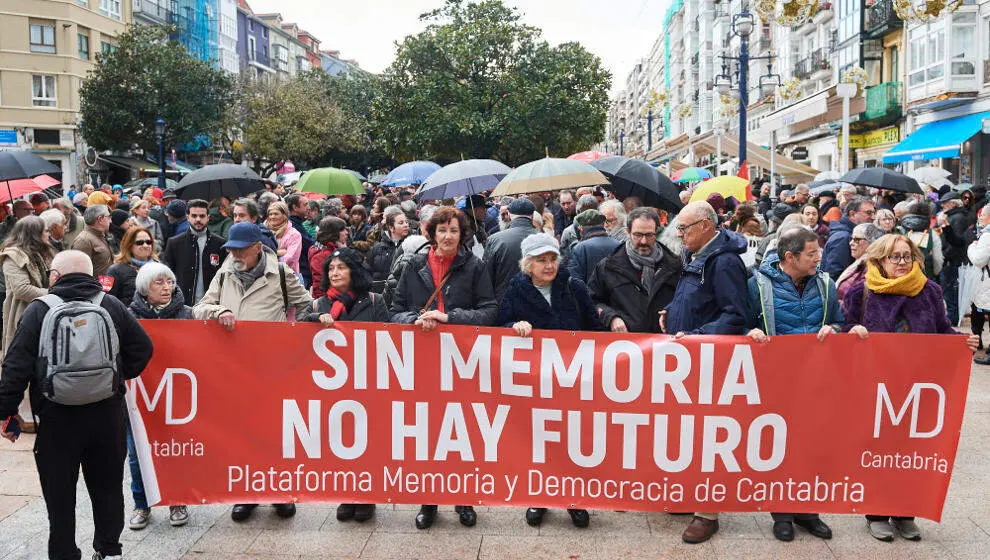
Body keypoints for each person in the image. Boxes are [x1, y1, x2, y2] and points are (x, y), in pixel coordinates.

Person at [0, 250, 153, 560]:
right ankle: (109, 549)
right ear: (91, 275)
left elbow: (15, 365)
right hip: (106, 415)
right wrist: (114, 378)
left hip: (56, 417)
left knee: (59, 495)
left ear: (55, 276)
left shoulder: (39, 309)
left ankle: (64, 553)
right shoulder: (111, 305)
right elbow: (143, 349)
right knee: (108, 488)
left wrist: (6, 411)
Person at [842, 234, 979, 542]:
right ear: (879, 261)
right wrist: (853, 331)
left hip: (919, 386)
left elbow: (941, 330)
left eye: (908, 256)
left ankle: (906, 512)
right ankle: (876, 512)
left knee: (913, 451)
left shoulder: (930, 290)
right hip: (878, 387)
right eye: (895, 257)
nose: (903, 262)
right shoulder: (861, 292)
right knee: (880, 450)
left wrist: (962, 341)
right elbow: (846, 328)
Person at [193, 222, 312, 522]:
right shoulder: (224, 274)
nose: (235, 255)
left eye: (241, 250)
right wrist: (219, 311)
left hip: (273, 369)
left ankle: (280, 492)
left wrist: (297, 337)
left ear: (258, 248)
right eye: (231, 250)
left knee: (275, 432)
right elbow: (200, 308)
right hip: (235, 369)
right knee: (242, 432)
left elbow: (305, 305)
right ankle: (246, 493)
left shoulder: (280, 274)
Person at [389, 206, 496, 530]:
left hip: (462, 362)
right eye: (442, 230)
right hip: (422, 360)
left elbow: (489, 311)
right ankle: (429, 499)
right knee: (428, 432)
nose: (448, 236)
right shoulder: (413, 265)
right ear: (432, 233)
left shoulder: (474, 266)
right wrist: (414, 320)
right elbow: (395, 310)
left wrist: (450, 318)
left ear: (462, 235)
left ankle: (464, 498)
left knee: (461, 432)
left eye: (454, 231)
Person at [744, 227, 841, 542]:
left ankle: (808, 511)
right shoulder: (757, 285)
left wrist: (836, 329)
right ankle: (782, 513)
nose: (818, 259)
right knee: (780, 447)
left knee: (812, 447)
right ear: (790, 257)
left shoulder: (826, 284)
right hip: (775, 381)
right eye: (811, 254)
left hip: (816, 380)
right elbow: (740, 323)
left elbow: (841, 321)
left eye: (818, 252)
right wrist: (749, 332)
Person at [495, 233, 598, 529]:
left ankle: (573, 499)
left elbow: (594, 328)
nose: (549, 265)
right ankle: (538, 497)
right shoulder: (515, 290)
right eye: (541, 260)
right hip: (534, 380)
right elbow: (499, 325)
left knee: (571, 440)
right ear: (528, 264)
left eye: (553, 259)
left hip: (571, 377)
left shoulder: (573, 286)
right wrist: (513, 325)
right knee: (537, 440)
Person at [662, 201, 748, 545]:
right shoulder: (698, 254)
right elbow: (696, 298)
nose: (679, 234)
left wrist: (696, 335)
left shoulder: (724, 262)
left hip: (709, 361)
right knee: (688, 434)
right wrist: (672, 310)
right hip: (690, 358)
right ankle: (690, 496)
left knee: (707, 439)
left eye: (684, 228)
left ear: (706, 226)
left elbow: (735, 315)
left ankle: (707, 513)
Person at [307, 247, 385, 523]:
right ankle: (346, 493)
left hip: (366, 381)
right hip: (334, 386)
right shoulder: (319, 304)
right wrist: (315, 320)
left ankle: (366, 496)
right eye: (331, 268)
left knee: (366, 440)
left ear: (353, 271)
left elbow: (388, 338)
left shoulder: (374, 301)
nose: (335, 273)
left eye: (341, 267)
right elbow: (300, 334)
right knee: (340, 442)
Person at [125, 263, 191, 531]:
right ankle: (142, 504)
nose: (167, 288)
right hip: (140, 396)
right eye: (159, 283)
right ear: (144, 289)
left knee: (177, 449)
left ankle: (177, 501)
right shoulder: (129, 316)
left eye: (169, 282)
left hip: (177, 394)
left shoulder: (187, 314)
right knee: (137, 453)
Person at [589, 207, 680, 334]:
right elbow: (593, 301)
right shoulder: (608, 266)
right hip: (625, 343)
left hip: (664, 341)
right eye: (638, 235)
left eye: (649, 235)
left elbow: (683, 302)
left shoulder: (674, 265)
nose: (643, 241)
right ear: (628, 232)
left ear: (656, 232)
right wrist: (611, 317)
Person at [161, 199, 226, 307]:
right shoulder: (174, 243)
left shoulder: (220, 244)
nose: (198, 219)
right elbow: (167, 274)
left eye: (202, 216)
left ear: (208, 217)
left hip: (212, 305)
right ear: (188, 217)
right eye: (194, 216)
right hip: (182, 305)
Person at [483, 198, 538, 302]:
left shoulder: (495, 239)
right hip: (537, 301)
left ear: (509, 215)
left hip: (505, 301)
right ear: (532, 216)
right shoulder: (545, 238)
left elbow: (486, 277)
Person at [937, 191, 975, 325]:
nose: (942, 206)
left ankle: (952, 317)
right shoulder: (953, 216)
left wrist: (945, 256)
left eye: (945, 203)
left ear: (953, 204)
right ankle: (953, 316)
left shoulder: (957, 218)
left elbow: (957, 242)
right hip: (951, 260)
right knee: (950, 290)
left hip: (952, 261)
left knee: (951, 290)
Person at [822, 196, 875, 279]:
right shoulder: (843, 238)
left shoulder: (847, 234)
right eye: (869, 213)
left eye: (874, 213)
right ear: (852, 214)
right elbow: (834, 276)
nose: (873, 217)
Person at [836, 223, 885, 309]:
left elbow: (856, 305)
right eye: (852, 239)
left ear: (872, 242)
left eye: (857, 239)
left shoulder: (872, 268)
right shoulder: (859, 264)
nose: (851, 243)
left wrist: (832, 306)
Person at [105, 227, 157, 307]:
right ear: (129, 245)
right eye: (140, 242)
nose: (145, 245)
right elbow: (104, 298)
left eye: (149, 242)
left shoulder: (160, 268)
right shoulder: (113, 270)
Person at [567, 209, 621, 284]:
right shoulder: (618, 244)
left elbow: (574, 281)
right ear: (603, 225)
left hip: (589, 291)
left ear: (581, 229)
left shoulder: (579, 248)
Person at [968, 203, 990, 363]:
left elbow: (978, 260)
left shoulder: (987, 236)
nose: (980, 217)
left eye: (983, 214)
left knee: (980, 311)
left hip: (987, 282)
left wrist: (972, 247)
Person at [367, 206, 409, 284]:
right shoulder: (377, 247)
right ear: (391, 227)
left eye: (406, 222)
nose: (406, 225)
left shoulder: (411, 246)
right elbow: (368, 270)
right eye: (401, 223)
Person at [309, 216, 348, 299]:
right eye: (342, 230)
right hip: (331, 300)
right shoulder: (320, 255)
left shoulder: (337, 249)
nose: (346, 232)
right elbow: (320, 286)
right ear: (332, 233)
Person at [901, 200, 942, 279]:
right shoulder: (932, 234)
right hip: (925, 276)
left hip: (904, 274)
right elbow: (937, 258)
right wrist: (935, 272)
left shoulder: (902, 230)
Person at [70, 204, 114, 276]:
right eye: (109, 217)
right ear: (100, 219)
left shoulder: (101, 234)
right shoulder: (83, 241)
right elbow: (80, 274)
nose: (110, 221)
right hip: (94, 283)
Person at [265, 201, 302, 275]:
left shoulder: (294, 234)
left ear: (284, 215)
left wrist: (269, 258)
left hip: (288, 276)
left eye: (276, 214)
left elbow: (290, 259)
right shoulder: (263, 230)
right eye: (270, 214)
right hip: (265, 276)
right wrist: (278, 252)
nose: (272, 217)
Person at [285, 194, 314, 287]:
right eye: (305, 205)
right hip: (300, 273)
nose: (309, 207)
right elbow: (310, 245)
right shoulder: (293, 226)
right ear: (295, 207)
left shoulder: (297, 223)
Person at [559, 194, 599, 259]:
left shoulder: (605, 229)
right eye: (585, 212)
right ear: (578, 212)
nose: (589, 215)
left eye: (591, 211)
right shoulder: (568, 232)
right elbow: (563, 257)